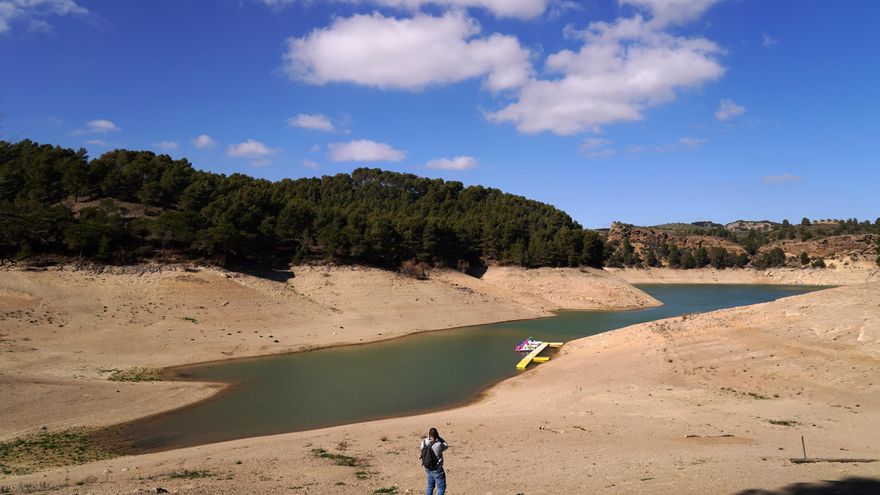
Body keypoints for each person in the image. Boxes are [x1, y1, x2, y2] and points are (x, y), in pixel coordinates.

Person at [420, 427, 448, 495]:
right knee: (441, 487)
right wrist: (439, 438)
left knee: (430, 486)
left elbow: (422, 450)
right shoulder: (438, 445)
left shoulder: (423, 442)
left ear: (429, 434)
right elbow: (446, 445)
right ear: (437, 435)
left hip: (427, 467)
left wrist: (428, 438)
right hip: (437, 469)